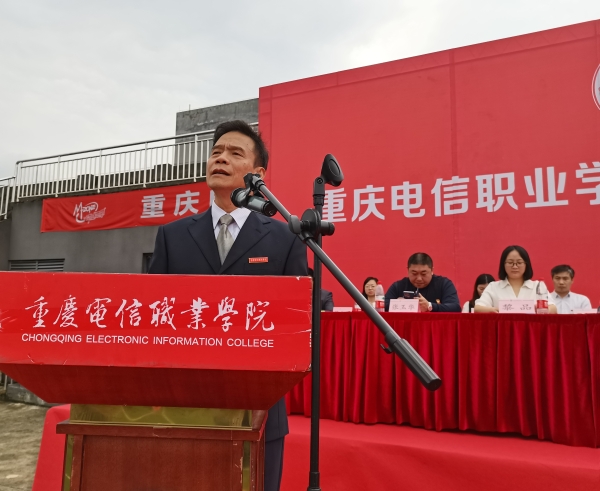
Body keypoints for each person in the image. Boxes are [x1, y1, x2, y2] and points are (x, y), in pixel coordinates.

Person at [148, 120, 307, 491]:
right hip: (184, 408)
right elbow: (155, 318)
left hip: (260, 408)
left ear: (257, 175)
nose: (220, 159)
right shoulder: (172, 236)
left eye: (235, 153)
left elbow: (297, 325)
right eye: (216, 152)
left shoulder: (286, 238)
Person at [475, 245, 557, 313]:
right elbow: (478, 308)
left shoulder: (537, 286)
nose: (514, 266)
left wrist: (543, 310)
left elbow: (553, 308)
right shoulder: (493, 286)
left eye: (519, 262)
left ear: (526, 264)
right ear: (503, 265)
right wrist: (491, 310)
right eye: (510, 262)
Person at [384, 253, 461, 312]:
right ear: (408, 270)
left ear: (432, 270)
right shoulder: (398, 286)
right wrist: (398, 304)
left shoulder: (444, 284)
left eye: (423, 274)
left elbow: (455, 307)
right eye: (414, 273)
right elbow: (382, 306)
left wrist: (430, 306)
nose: (419, 279)